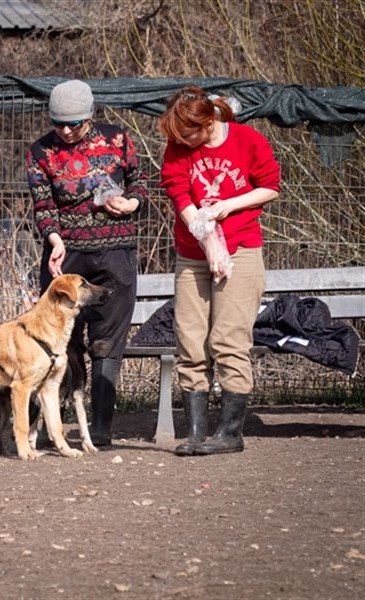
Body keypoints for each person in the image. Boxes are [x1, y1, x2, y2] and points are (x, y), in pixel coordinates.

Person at [159, 86, 281, 456]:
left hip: (242, 246)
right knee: (190, 338)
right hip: (191, 252)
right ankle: (196, 432)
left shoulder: (247, 140)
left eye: (189, 134)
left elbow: (270, 187)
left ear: (208, 122)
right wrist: (208, 239)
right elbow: (178, 191)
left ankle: (230, 433)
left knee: (228, 339)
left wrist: (227, 206)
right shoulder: (179, 145)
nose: (183, 142)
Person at [26, 79, 148, 448]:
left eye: (73, 124)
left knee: (106, 343)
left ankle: (100, 428)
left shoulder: (117, 140)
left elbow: (140, 182)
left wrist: (132, 204)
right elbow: (43, 204)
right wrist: (54, 238)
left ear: (89, 116)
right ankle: (51, 427)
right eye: (57, 123)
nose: (64, 131)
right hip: (66, 257)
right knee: (58, 343)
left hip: (115, 256)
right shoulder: (41, 151)